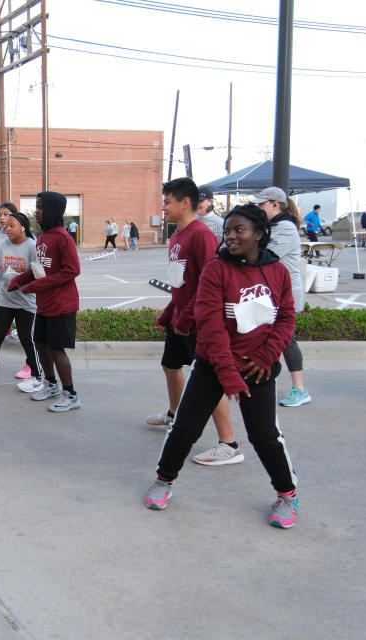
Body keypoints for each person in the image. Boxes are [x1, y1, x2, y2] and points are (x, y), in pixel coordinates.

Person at [144, 204, 299, 528]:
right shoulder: (217, 270)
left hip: (258, 368)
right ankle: (164, 480)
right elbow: (211, 329)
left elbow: (285, 318)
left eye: (238, 230)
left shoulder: (277, 272)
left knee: (265, 436)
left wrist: (264, 356)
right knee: (185, 428)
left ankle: (287, 495)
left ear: (259, 234)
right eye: (227, 230)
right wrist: (228, 374)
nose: (230, 236)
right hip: (214, 365)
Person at [147, 178, 240, 467]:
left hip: (200, 323)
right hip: (181, 318)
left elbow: (208, 283)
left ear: (184, 202)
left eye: (167, 201)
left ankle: (230, 444)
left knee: (207, 383)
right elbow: (180, 283)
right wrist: (170, 312)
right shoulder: (177, 236)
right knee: (171, 365)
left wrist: (187, 317)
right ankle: (175, 414)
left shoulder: (201, 235)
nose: (163, 207)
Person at [8, 191, 82, 412]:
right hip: (45, 304)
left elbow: (72, 271)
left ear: (52, 210)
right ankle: (51, 385)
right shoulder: (42, 237)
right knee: (40, 343)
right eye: (36, 207)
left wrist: (36, 286)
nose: (36, 211)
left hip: (62, 304)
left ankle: (71, 394)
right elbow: (39, 270)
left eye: (40, 207)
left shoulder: (62, 237)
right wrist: (20, 280)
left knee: (56, 348)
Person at [253, 186, 312, 407]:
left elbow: (267, 255)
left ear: (275, 205)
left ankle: (300, 388)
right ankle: (264, 380)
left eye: (262, 204)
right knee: (269, 337)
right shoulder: (272, 226)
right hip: (271, 293)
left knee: (287, 340)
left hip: (284, 294)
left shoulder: (285, 227)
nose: (259, 208)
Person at [0, 212, 41, 390]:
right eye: (6, 226)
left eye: (12, 225)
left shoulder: (32, 247)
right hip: (5, 298)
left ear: (23, 227)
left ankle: (36, 375)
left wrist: (21, 281)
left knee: (27, 337)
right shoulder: (2, 246)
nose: (7, 228)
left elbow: (38, 274)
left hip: (26, 300)